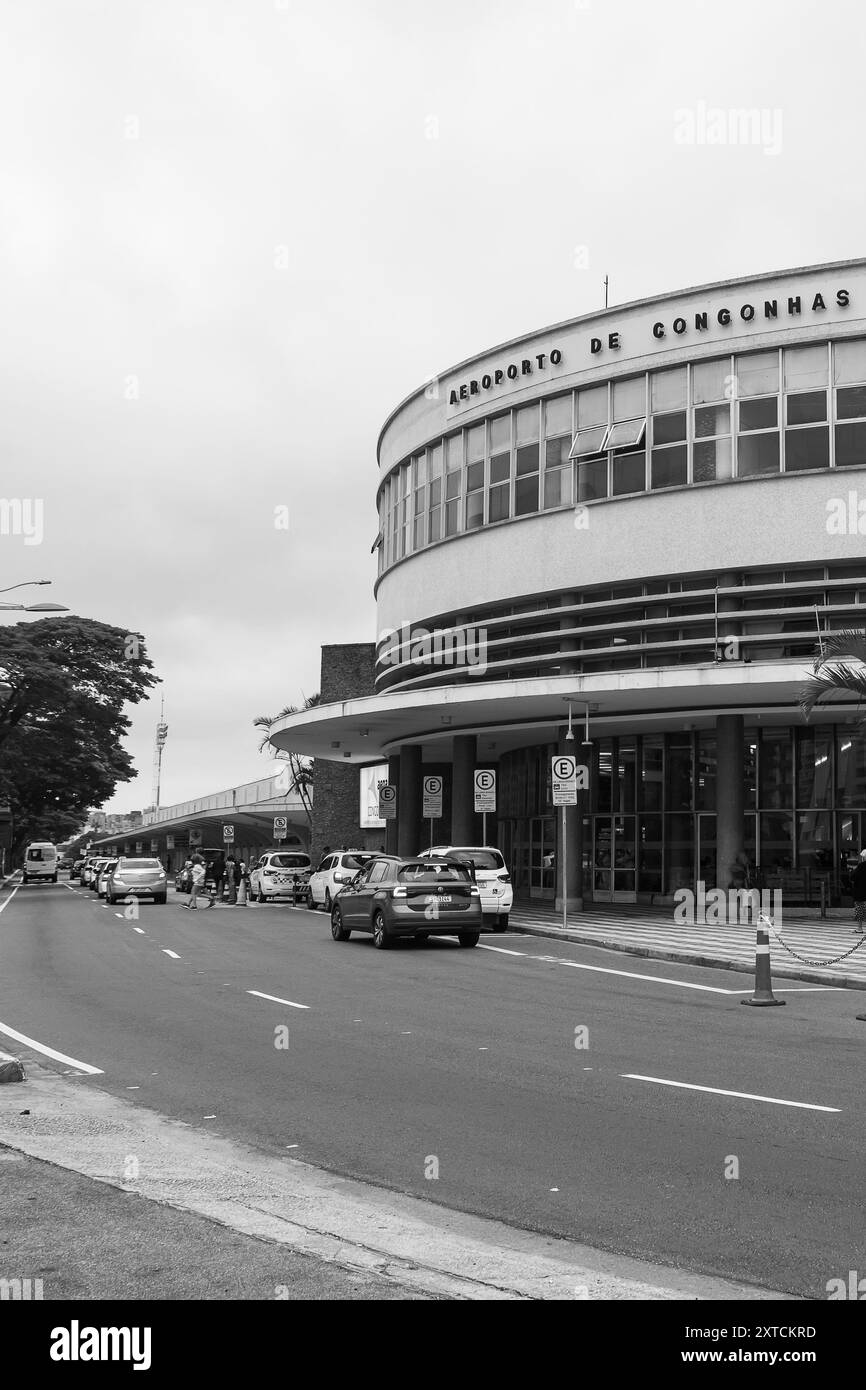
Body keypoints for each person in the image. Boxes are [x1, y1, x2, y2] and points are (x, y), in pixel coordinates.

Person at [852, 849, 866, 933]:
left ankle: (860, 928)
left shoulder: (861, 866)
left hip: (860, 892)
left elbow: (853, 877)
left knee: (860, 910)